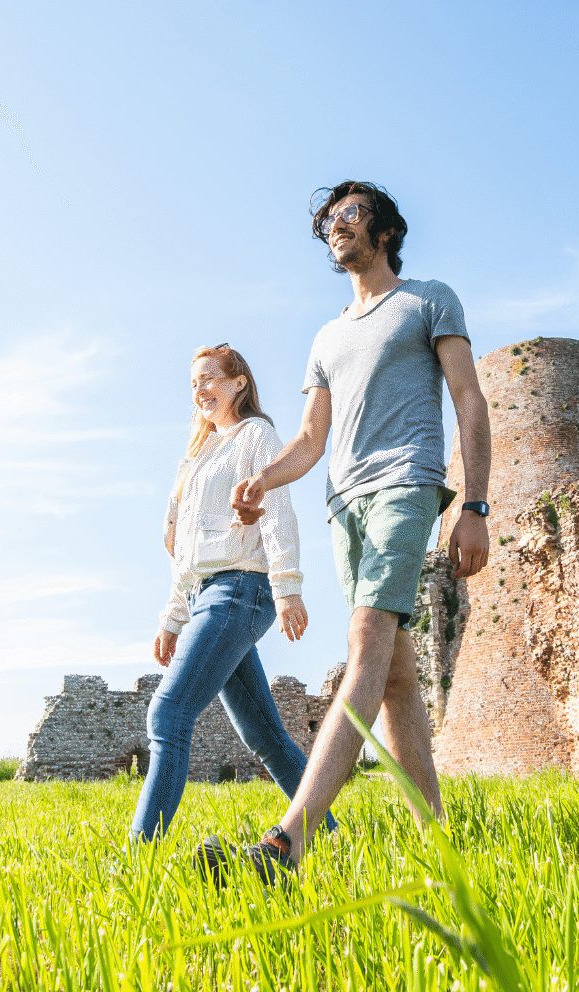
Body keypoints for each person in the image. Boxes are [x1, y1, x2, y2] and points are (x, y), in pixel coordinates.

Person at [199, 180, 492, 881]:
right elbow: (309, 438)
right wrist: (263, 480)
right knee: (392, 677)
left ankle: (285, 846)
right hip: (344, 506)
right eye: (329, 220)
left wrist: (474, 506)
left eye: (350, 215)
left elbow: (470, 402)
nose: (337, 226)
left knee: (364, 647)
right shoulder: (327, 337)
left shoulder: (428, 301)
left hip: (406, 485)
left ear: (384, 231)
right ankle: (439, 843)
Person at [131, 344, 331, 842]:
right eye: (193, 383)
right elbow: (187, 552)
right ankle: (327, 834)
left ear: (238, 382)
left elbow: (277, 508)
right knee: (263, 735)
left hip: (242, 589)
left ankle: (140, 854)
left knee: (169, 711)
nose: (199, 390)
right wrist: (173, 617)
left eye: (209, 379)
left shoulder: (255, 436)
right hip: (208, 594)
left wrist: (287, 588)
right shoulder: (198, 457)